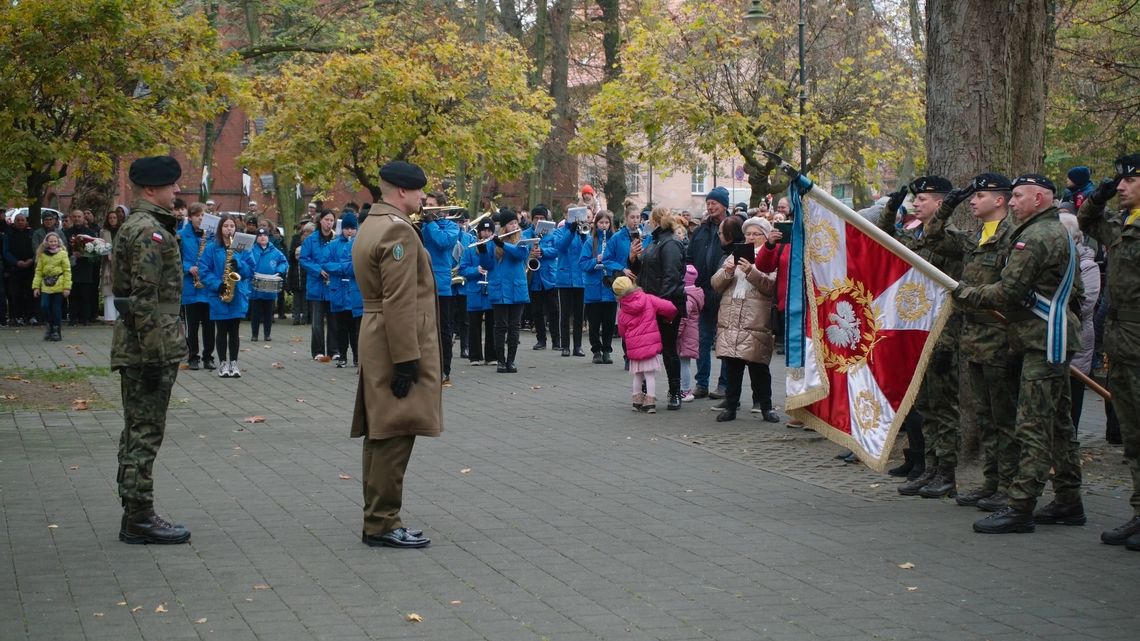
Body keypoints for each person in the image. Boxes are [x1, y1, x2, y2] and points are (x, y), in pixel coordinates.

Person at [955, 173, 1084, 534]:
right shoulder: (1050, 231)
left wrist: (965, 293)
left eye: (1017, 196)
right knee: (1059, 422)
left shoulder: (1037, 235)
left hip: (1044, 339)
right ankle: (1069, 499)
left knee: (1033, 423)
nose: (1011, 202)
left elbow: (1008, 292)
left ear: (1039, 199)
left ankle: (1021, 505)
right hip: (1044, 336)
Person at [351, 161, 439, 549]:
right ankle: (383, 523)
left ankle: (378, 517)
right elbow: (400, 301)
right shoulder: (396, 230)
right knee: (395, 431)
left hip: (376, 332)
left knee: (380, 430)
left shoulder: (372, 223)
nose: (423, 198)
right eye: (419, 191)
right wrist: (407, 358)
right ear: (402, 191)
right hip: (394, 339)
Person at [924, 173, 1020, 510]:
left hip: (1000, 335)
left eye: (980, 195)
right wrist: (949, 203)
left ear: (1000, 199)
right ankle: (992, 482)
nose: (973, 201)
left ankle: (1008, 485)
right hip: (973, 336)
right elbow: (933, 237)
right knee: (985, 416)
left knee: (1003, 417)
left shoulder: (1012, 237)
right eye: (971, 196)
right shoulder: (975, 238)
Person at [110, 155, 190, 544]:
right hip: (148, 346)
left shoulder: (144, 226)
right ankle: (139, 517)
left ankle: (134, 510)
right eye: (171, 185)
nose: (177, 191)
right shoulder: (148, 232)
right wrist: (157, 354)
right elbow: (143, 299)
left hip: (144, 343)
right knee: (144, 431)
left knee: (138, 429)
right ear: (150, 189)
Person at [879, 177, 964, 500]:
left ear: (940, 204)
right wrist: (890, 208)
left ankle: (946, 472)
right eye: (914, 200)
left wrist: (947, 342)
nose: (916, 205)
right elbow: (887, 239)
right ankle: (929, 467)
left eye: (923, 200)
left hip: (943, 333)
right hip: (919, 333)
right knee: (926, 406)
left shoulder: (950, 239)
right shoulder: (917, 236)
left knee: (943, 409)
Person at [1078, 153, 1140, 548]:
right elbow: (1086, 221)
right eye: (1119, 181)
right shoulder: (1123, 225)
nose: (1121, 187)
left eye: (1130, 181)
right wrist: (1098, 195)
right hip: (1121, 339)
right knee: (1132, 435)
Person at [708, 216, 778, 422]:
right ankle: (731, 406)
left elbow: (770, 287)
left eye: (756, 234)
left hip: (755, 319)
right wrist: (728, 272)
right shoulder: (734, 254)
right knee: (732, 366)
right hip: (731, 318)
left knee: (759, 368)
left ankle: (766, 407)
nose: (751, 237)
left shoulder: (769, 258)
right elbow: (715, 284)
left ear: (765, 237)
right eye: (748, 234)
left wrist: (750, 271)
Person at [629, 208, 687, 409]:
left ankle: (674, 392)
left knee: (669, 349)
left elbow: (672, 276)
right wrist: (634, 259)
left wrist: (659, 304)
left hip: (665, 304)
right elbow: (644, 272)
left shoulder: (669, 243)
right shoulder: (655, 242)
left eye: (649, 220)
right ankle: (645, 392)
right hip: (651, 304)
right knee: (647, 349)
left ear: (655, 221)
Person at [1058, 212, 1100, 432]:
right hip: (1050, 339)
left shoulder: (1087, 266)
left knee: (1072, 396)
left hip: (1076, 340)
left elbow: (1085, 304)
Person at [689, 186, 731, 399]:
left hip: (726, 292)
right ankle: (702, 383)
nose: (710, 206)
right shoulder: (700, 230)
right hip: (703, 291)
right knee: (702, 339)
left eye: (714, 202)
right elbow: (689, 257)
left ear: (724, 205)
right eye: (708, 203)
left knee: (724, 341)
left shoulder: (734, 227)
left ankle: (724, 385)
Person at [200, 216, 254, 378]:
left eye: (231, 226)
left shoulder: (242, 247)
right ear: (220, 228)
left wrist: (240, 264)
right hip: (219, 294)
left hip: (236, 294)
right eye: (225, 226)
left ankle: (234, 363)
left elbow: (250, 270)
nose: (229, 229)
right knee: (221, 330)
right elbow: (204, 270)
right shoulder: (211, 247)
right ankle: (223, 362)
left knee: (234, 330)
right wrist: (217, 285)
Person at [614, 276, 677, 413]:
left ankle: (636, 402)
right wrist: (669, 319)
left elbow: (621, 331)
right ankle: (650, 402)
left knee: (637, 375)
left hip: (634, 349)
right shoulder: (647, 298)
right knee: (649, 375)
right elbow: (670, 308)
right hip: (650, 346)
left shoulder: (622, 309)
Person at [421, 193, 461, 384]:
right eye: (426, 204)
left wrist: (430, 223)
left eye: (431, 205)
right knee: (423, 328)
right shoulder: (422, 224)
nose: (426, 208)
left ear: (441, 208)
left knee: (443, 329)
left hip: (442, 284)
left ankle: (445, 369)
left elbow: (443, 242)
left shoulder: (452, 227)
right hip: (421, 281)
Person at [488, 208, 529, 373]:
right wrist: (484, 250)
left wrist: (503, 244)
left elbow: (520, 255)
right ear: (504, 226)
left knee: (514, 326)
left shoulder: (522, 239)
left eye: (515, 223)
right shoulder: (494, 242)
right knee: (500, 326)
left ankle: (511, 361)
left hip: (517, 288)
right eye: (511, 223)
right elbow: (487, 264)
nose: (514, 226)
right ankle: (500, 361)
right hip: (499, 288)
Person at [578, 210, 617, 363]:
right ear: (596, 224)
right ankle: (596, 351)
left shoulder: (614, 241)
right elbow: (582, 263)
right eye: (601, 223)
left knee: (608, 323)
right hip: (593, 287)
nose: (604, 226)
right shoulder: (590, 242)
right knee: (594, 324)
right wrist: (596, 260)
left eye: (607, 223)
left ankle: (607, 350)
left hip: (609, 287)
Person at [179, 203, 215, 371]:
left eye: (203, 215)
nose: (201, 218)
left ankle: (208, 357)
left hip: (207, 286)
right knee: (192, 327)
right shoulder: (181, 236)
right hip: (190, 286)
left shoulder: (212, 237)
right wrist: (188, 268)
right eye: (197, 215)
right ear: (190, 217)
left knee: (209, 326)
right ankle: (193, 356)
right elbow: (175, 259)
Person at [301, 210, 339, 360]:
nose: (329, 223)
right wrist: (318, 270)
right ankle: (317, 351)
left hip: (333, 286)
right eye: (326, 220)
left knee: (333, 321)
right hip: (316, 286)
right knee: (317, 323)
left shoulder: (337, 240)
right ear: (320, 221)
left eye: (331, 220)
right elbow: (304, 259)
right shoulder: (311, 240)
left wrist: (332, 269)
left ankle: (334, 351)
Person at [460, 216, 497, 365]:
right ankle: (475, 356)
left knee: (491, 325)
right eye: (484, 231)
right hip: (475, 290)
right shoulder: (470, 249)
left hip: (490, 291)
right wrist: (476, 270)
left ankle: (492, 356)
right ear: (479, 232)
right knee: (474, 325)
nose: (486, 234)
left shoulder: (496, 248)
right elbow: (463, 269)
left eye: (489, 231)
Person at [552, 211, 588, 357]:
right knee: (565, 314)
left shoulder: (583, 231)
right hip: (565, 278)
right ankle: (565, 345)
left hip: (580, 278)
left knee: (579, 315)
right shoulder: (560, 232)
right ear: (567, 217)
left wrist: (584, 235)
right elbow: (560, 247)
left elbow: (589, 249)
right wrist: (571, 231)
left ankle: (578, 346)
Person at [328, 213, 362, 367]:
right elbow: (326, 263)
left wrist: (344, 268)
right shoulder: (334, 244)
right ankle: (342, 356)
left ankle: (356, 356)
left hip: (353, 292)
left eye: (352, 228)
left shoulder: (359, 243)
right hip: (338, 292)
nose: (349, 231)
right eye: (347, 228)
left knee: (355, 329)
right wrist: (342, 268)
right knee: (340, 327)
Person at [524, 205, 560, 350]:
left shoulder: (553, 234)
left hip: (550, 276)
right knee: (536, 311)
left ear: (546, 219)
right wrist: (529, 252)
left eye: (542, 218)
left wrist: (543, 251)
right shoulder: (526, 234)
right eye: (536, 218)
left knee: (554, 310)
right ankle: (541, 340)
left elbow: (557, 250)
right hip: (533, 277)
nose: (539, 221)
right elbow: (520, 248)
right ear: (532, 220)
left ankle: (556, 341)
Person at [249, 228, 287, 342]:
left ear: (268, 237)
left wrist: (280, 271)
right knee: (255, 313)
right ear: (256, 238)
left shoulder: (275, 251)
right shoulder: (251, 250)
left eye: (265, 235)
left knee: (268, 313)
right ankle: (254, 334)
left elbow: (284, 262)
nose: (262, 237)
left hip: (270, 286)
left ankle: (267, 334)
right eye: (260, 235)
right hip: (256, 285)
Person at [32, 232, 70, 341]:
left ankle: (56, 330)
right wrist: (36, 287)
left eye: (55, 241)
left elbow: (67, 271)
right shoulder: (42, 255)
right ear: (47, 242)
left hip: (59, 284)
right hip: (46, 284)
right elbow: (38, 271)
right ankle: (49, 325)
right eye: (50, 241)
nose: (53, 243)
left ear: (58, 242)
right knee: (44, 306)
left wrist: (67, 287)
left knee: (56, 308)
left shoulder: (63, 254)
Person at [64, 209, 99, 325]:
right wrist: (71, 254)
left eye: (79, 216)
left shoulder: (90, 233)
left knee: (85, 294)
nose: (77, 219)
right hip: (71, 267)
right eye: (74, 217)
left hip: (86, 267)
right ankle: (73, 318)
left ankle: (85, 318)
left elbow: (95, 252)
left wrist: (84, 254)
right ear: (71, 218)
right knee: (73, 294)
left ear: (83, 218)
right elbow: (62, 249)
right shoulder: (66, 233)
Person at [2, 212, 35, 326]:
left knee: (30, 292)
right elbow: (5, 252)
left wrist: (31, 260)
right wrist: (16, 262)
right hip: (15, 269)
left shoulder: (31, 233)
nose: (21, 222)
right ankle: (18, 316)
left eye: (22, 220)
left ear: (26, 221)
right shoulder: (9, 234)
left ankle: (31, 316)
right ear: (14, 221)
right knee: (16, 293)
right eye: (18, 220)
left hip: (30, 267)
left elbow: (37, 249)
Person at [678, 264, 704, 401]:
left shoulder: (687, 297)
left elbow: (683, 317)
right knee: (684, 362)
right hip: (691, 333)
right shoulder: (696, 293)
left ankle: (685, 390)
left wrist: (676, 332)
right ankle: (684, 389)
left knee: (683, 363)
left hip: (684, 336)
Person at [99, 207, 123, 323]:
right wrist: (106, 253)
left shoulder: (122, 230)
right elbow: (99, 246)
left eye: (114, 218)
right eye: (110, 218)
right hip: (108, 265)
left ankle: (120, 315)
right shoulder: (104, 231)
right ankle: (109, 317)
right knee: (109, 290)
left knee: (120, 289)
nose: (113, 220)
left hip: (120, 264)